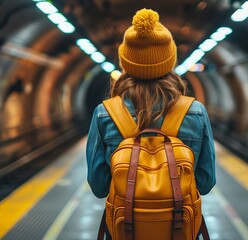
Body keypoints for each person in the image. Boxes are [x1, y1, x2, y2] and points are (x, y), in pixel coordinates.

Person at [86, 8, 216, 239]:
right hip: (179, 229)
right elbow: (205, 183)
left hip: (125, 230)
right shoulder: (195, 112)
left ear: (126, 62)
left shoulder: (104, 113)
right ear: (170, 60)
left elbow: (98, 187)